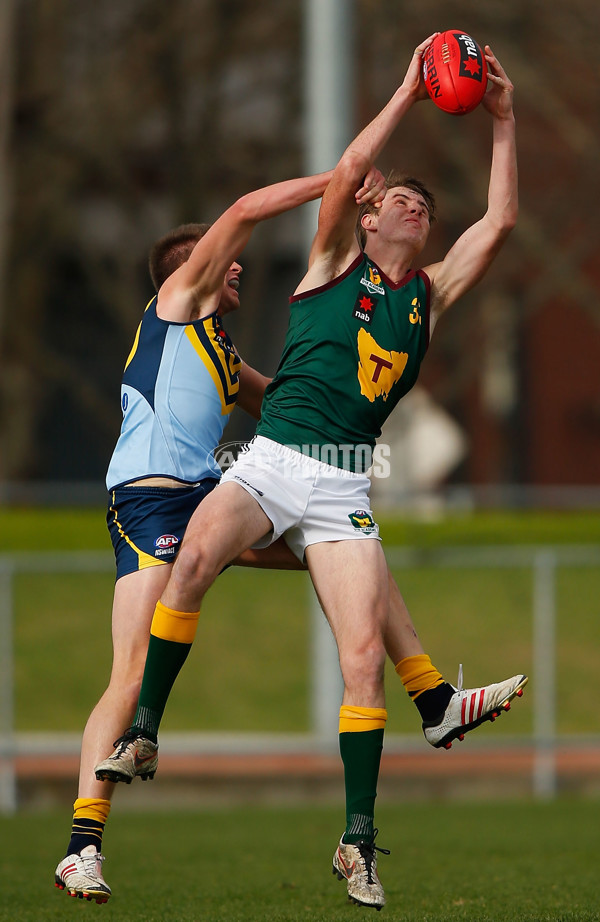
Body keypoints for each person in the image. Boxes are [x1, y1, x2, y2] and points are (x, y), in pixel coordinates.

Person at [94, 34, 525, 911]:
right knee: (192, 561)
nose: (411, 206)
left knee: (362, 661)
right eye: (398, 199)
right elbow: (352, 165)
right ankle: (144, 734)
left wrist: (506, 120)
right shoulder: (331, 264)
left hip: (341, 483)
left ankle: (357, 843)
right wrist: (408, 89)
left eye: (421, 205)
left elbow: (502, 222)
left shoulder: (426, 299)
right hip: (270, 460)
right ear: (364, 219)